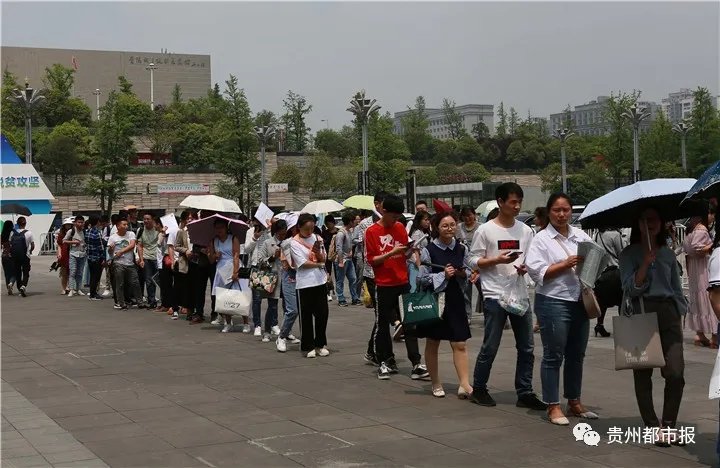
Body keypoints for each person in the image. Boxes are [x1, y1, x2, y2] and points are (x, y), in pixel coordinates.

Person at [468, 183, 546, 410]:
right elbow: (472, 260)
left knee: (527, 347)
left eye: (519, 201)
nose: (517, 206)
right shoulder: (486, 230)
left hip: (519, 294)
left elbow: (531, 260)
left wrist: (526, 269)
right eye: (512, 201)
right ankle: (479, 388)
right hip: (494, 294)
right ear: (500, 202)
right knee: (490, 345)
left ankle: (525, 392)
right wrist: (495, 260)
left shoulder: (525, 230)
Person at [526, 193, 597, 426]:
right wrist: (564, 265)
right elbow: (537, 272)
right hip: (553, 301)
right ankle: (552, 404)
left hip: (579, 300)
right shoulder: (541, 239)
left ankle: (574, 401)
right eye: (557, 210)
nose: (562, 214)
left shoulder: (580, 236)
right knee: (553, 354)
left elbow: (594, 259)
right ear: (549, 212)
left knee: (576, 355)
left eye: (566, 209)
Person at [619, 207, 686, 447]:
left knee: (676, 373)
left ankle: (669, 425)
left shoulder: (667, 254)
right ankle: (651, 425)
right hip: (642, 310)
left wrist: (681, 312)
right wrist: (645, 264)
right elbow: (629, 288)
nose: (650, 224)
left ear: (661, 223)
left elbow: (676, 288)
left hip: (668, 313)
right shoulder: (629, 254)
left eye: (654, 219)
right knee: (643, 371)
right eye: (645, 220)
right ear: (638, 224)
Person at [365, 195, 429, 381]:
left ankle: (416, 363)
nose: (396, 220)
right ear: (383, 211)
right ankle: (384, 361)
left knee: (409, 323)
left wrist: (410, 250)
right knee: (382, 324)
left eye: (398, 217)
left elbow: (405, 251)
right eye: (393, 216)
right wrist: (391, 252)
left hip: (402, 281)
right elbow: (372, 260)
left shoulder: (400, 227)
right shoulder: (372, 231)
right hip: (384, 284)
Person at [417, 211, 473, 398]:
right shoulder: (429, 250)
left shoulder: (462, 248)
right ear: (437, 228)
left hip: (456, 299)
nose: (450, 228)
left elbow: (469, 271)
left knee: (460, 343)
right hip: (436, 301)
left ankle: (464, 384)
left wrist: (465, 273)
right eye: (445, 226)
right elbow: (422, 279)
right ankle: (435, 382)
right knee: (433, 342)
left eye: (452, 224)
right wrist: (442, 275)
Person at [290, 213, 331, 358]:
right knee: (306, 316)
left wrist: (318, 254)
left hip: (319, 281)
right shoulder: (294, 242)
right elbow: (301, 263)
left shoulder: (318, 238)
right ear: (299, 227)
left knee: (322, 314)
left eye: (312, 228)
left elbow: (324, 258)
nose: (309, 231)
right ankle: (307, 346)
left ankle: (320, 344)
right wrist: (319, 263)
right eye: (307, 228)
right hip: (304, 284)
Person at [683, 213, 717, 348]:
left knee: (698, 300)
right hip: (703, 268)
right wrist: (712, 246)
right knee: (710, 299)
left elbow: (687, 248)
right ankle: (715, 335)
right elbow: (698, 247)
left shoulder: (690, 229)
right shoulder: (702, 229)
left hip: (694, 269)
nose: (712, 216)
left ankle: (699, 333)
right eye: (711, 213)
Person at [207, 218, 241, 333]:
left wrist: (235, 272)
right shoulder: (213, 241)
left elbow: (236, 255)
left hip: (232, 267)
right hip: (220, 270)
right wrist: (215, 256)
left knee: (238, 294)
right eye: (217, 228)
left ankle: (245, 321)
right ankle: (227, 321)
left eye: (221, 227)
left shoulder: (233, 239)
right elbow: (211, 260)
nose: (219, 230)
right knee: (222, 297)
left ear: (226, 228)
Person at [257, 220, 287, 341]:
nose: (282, 236)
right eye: (280, 234)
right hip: (273, 278)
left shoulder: (288, 242)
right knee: (272, 306)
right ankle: (267, 331)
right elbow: (260, 261)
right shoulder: (268, 243)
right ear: (276, 232)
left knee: (288, 307)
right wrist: (272, 258)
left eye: (284, 234)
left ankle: (286, 331)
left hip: (286, 278)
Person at [246, 219, 275, 336]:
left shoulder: (270, 232)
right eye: (256, 222)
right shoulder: (250, 232)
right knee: (257, 299)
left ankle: (273, 324)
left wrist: (268, 230)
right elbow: (247, 249)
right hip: (256, 267)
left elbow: (273, 247)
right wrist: (254, 238)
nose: (259, 224)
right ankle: (257, 324)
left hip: (268, 266)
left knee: (272, 298)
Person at [276, 222, 302, 352]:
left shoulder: (310, 240)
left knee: (305, 311)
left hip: (306, 278)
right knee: (293, 310)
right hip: (291, 278)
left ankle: (307, 340)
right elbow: (290, 265)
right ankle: (282, 336)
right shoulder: (287, 243)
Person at [108, 217, 142, 310]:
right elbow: (110, 252)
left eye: (127, 224)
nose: (126, 226)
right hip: (118, 263)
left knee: (135, 282)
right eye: (124, 224)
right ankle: (121, 303)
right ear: (118, 226)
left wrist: (121, 251)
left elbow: (132, 245)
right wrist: (110, 249)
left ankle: (140, 302)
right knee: (120, 284)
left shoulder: (130, 234)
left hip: (130, 263)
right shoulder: (113, 237)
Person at [457, 206, 481, 322]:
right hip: (464, 264)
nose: (468, 218)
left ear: (474, 215)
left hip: (479, 264)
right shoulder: (458, 228)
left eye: (470, 215)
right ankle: (467, 316)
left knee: (484, 290)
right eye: (465, 216)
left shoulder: (481, 228)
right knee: (466, 292)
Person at [168, 211, 192, 319]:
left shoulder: (197, 232)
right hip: (182, 263)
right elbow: (175, 246)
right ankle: (175, 308)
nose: (190, 220)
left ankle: (190, 310)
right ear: (183, 220)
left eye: (192, 218)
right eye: (188, 218)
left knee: (190, 288)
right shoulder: (181, 232)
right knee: (178, 287)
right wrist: (186, 250)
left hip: (194, 263)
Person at [334, 213, 360, 306]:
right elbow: (339, 248)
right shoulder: (341, 233)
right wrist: (340, 261)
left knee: (353, 278)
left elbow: (350, 243)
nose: (355, 222)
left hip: (349, 259)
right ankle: (341, 299)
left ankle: (355, 298)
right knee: (340, 280)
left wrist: (350, 251)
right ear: (350, 222)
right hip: (342, 260)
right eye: (354, 220)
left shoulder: (349, 231)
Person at [137, 213, 160, 310]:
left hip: (158, 258)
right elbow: (139, 245)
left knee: (161, 281)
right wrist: (141, 259)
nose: (146, 221)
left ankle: (167, 302)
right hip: (146, 258)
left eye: (148, 219)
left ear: (153, 219)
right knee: (149, 280)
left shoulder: (158, 229)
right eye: (144, 219)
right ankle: (151, 301)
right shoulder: (141, 230)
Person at [407, 211, 432, 293]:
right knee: (414, 288)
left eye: (429, 220)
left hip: (422, 263)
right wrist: (419, 266)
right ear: (419, 220)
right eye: (425, 220)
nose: (428, 222)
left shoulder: (423, 232)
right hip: (416, 264)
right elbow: (415, 250)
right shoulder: (417, 233)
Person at [63, 215, 88, 297]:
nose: (80, 224)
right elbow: (64, 241)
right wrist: (73, 242)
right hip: (73, 254)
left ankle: (78, 289)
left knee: (80, 273)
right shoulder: (71, 231)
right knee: (72, 272)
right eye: (79, 222)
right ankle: (71, 289)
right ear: (75, 223)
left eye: (82, 222)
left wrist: (85, 245)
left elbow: (86, 241)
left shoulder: (84, 231)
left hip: (82, 254)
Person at [10, 216, 34, 297]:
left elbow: (10, 244)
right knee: (26, 272)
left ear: (17, 223)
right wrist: (30, 251)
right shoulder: (29, 233)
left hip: (15, 256)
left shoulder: (13, 233)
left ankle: (19, 288)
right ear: (25, 223)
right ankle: (23, 286)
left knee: (18, 273)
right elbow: (32, 245)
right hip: (25, 256)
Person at [85, 215, 105, 301]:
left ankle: (92, 293)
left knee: (92, 276)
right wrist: (103, 257)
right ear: (97, 222)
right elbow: (101, 247)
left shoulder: (88, 231)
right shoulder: (97, 232)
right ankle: (93, 294)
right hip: (97, 257)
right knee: (96, 277)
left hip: (90, 257)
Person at [321, 215, 339, 302]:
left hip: (336, 255)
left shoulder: (339, 232)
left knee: (338, 274)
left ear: (333, 222)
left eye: (329, 223)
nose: (328, 225)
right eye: (326, 224)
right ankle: (328, 292)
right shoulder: (324, 233)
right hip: (327, 256)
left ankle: (338, 292)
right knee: (327, 274)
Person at [2, 220, 15, 295]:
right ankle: (11, 283)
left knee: (7, 273)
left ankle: (8, 289)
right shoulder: (13, 234)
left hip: (4, 255)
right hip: (12, 255)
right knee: (15, 273)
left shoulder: (2, 235)